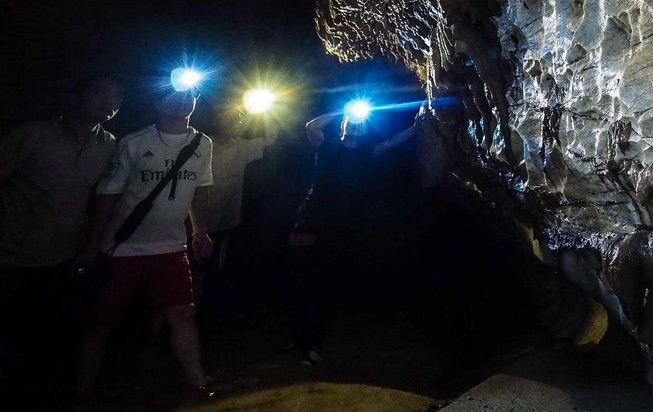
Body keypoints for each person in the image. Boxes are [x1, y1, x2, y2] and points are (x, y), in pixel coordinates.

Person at [74, 84, 215, 401]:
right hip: (124, 249)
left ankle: (197, 381)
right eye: (174, 95)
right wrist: (92, 243)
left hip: (171, 248)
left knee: (182, 313)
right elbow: (108, 194)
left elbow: (201, 188)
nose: (182, 101)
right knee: (101, 322)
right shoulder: (135, 143)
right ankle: (81, 389)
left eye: (189, 95)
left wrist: (199, 231)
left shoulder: (202, 144)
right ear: (157, 101)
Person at [0, 74, 124, 408]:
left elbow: (102, 199)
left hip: (64, 258)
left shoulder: (109, 145)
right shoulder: (32, 135)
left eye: (116, 95)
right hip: (12, 255)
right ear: (77, 97)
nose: (110, 100)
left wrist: (90, 246)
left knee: (51, 336)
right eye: (101, 91)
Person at [286, 106, 422, 366]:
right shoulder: (326, 146)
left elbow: (393, 141)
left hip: (338, 225)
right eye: (353, 121)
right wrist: (343, 111)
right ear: (344, 124)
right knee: (298, 274)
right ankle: (297, 335)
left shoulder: (367, 152)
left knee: (322, 281)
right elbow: (311, 126)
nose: (358, 124)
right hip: (310, 218)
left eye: (362, 122)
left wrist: (418, 126)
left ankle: (313, 343)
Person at [194, 106, 277, 311]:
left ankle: (204, 312)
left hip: (223, 221)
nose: (234, 123)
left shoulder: (243, 146)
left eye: (239, 119)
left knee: (213, 269)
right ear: (217, 121)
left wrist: (268, 110)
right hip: (194, 221)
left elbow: (271, 139)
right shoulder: (202, 143)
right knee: (191, 269)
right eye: (228, 119)